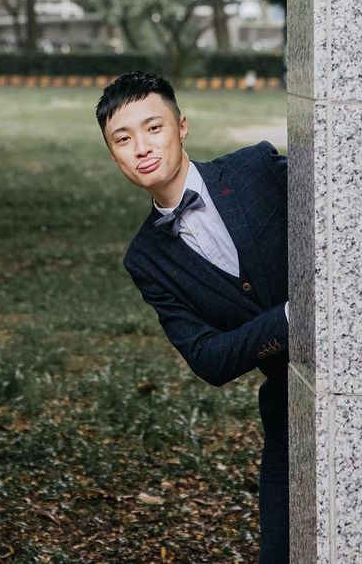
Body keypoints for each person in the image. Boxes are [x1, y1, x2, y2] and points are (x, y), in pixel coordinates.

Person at [96, 71, 289, 563]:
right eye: (123, 139)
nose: (141, 147)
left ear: (182, 127)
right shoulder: (145, 259)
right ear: (113, 153)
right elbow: (208, 358)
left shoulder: (256, 168)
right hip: (288, 411)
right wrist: (291, 318)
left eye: (153, 127)